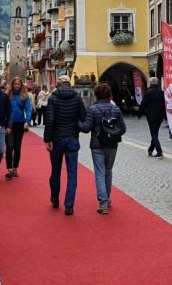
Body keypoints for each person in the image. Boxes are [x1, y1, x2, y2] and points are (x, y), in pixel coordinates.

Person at [44, 75, 86, 215]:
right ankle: (69, 205)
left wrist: (47, 139)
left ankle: (55, 198)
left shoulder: (53, 98)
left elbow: (49, 120)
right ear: (69, 84)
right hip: (72, 138)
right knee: (72, 172)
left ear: (59, 84)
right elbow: (83, 117)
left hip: (57, 139)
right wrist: (76, 126)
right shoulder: (77, 97)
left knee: (55, 170)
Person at [81, 82, 125, 214]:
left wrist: (76, 122)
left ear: (96, 95)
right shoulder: (116, 109)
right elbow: (123, 129)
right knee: (108, 171)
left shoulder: (93, 109)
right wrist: (113, 132)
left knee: (100, 173)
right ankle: (108, 198)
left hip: (97, 144)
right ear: (109, 95)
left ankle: (103, 202)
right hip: (112, 144)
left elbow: (86, 128)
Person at [6, 80, 33, 179]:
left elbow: (28, 108)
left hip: (20, 123)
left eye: (18, 84)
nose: (16, 86)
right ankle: (9, 168)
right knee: (9, 146)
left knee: (17, 147)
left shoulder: (24, 96)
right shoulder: (8, 95)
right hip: (9, 123)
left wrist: (27, 120)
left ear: (21, 85)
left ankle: (15, 167)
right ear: (12, 85)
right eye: (15, 84)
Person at [141, 77, 167, 158]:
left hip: (151, 116)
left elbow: (143, 104)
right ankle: (151, 149)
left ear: (150, 83)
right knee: (155, 133)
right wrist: (165, 116)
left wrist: (140, 113)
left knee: (154, 134)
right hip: (159, 117)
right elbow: (164, 105)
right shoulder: (161, 92)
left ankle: (159, 151)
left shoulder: (148, 92)